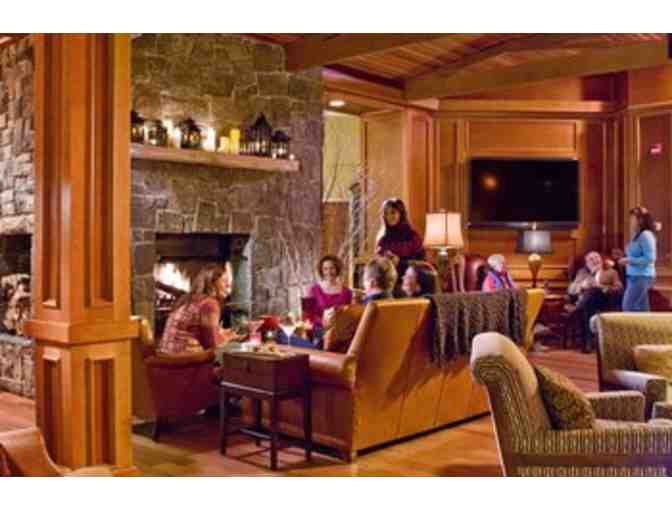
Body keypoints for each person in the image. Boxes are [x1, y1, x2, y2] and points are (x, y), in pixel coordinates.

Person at [158, 263, 239, 355]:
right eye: (224, 281)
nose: (228, 286)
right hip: (186, 360)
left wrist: (221, 333)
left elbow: (193, 331)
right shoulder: (209, 304)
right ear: (212, 283)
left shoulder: (185, 299)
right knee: (235, 350)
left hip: (165, 358)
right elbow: (213, 344)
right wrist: (231, 338)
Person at [568, 251, 623, 353]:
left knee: (593, 291)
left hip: (604, 301)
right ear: (586, 263)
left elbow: (619, 288)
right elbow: (571, 289)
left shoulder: (611, 272)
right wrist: (582, 285)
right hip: (587, 302)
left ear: (601, 260)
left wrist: (601, 287)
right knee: (587, 305)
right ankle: (587, 342)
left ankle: (587, 342)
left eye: (597, 257)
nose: (594, 260)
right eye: (591, 259)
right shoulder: (582, 272)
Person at [619, 206, 657, 312]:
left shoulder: (646, 235)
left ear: (640, 220)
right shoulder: (638, 235)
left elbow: (650, 258)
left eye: (633, 219)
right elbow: (636, 254)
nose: (631, 222)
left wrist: (628, 260)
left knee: (628, 305)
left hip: (642, 276)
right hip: (635, 276)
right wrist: (623, 256)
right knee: (642, 309)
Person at [375, 198, 425, 276]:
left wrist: (400, 262)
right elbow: (378, 267)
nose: (389, 216)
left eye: (393, 212)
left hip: (410, 280)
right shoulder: (383, 240)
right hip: (389, 281)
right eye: (386, 213)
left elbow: (422, 264)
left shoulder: (413, 237)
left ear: (401, 214)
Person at [305, 255, 353, 328]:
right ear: (321, 271)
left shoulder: (347, 292)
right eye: (325, 269)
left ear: (337, 269)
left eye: (332, 268)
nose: (329, 272)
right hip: (319, 330)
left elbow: (348, 315)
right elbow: (308, 315)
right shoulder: (313, 290)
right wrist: (322, 322)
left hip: (340, 330)